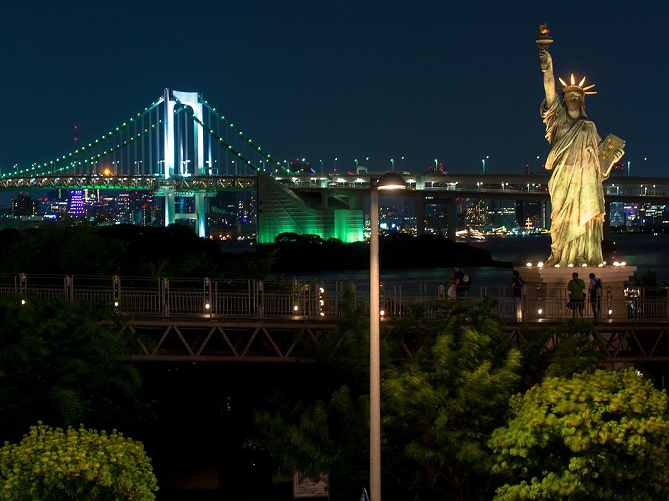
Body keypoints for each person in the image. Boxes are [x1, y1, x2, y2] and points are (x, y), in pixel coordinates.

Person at [539, 48, 624, 267]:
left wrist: (613, 158)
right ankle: (561, 254)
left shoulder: (589, 127)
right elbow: (550, 91)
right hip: (563, 179)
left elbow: (599, 166)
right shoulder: (557, 120)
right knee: (560, 219)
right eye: (569, 96)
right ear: (564, 100)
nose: (573, 99)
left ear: (582, 100)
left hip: (586, 181)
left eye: (577, 96)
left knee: (586, 217)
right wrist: (548, 66)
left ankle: (583, 255)